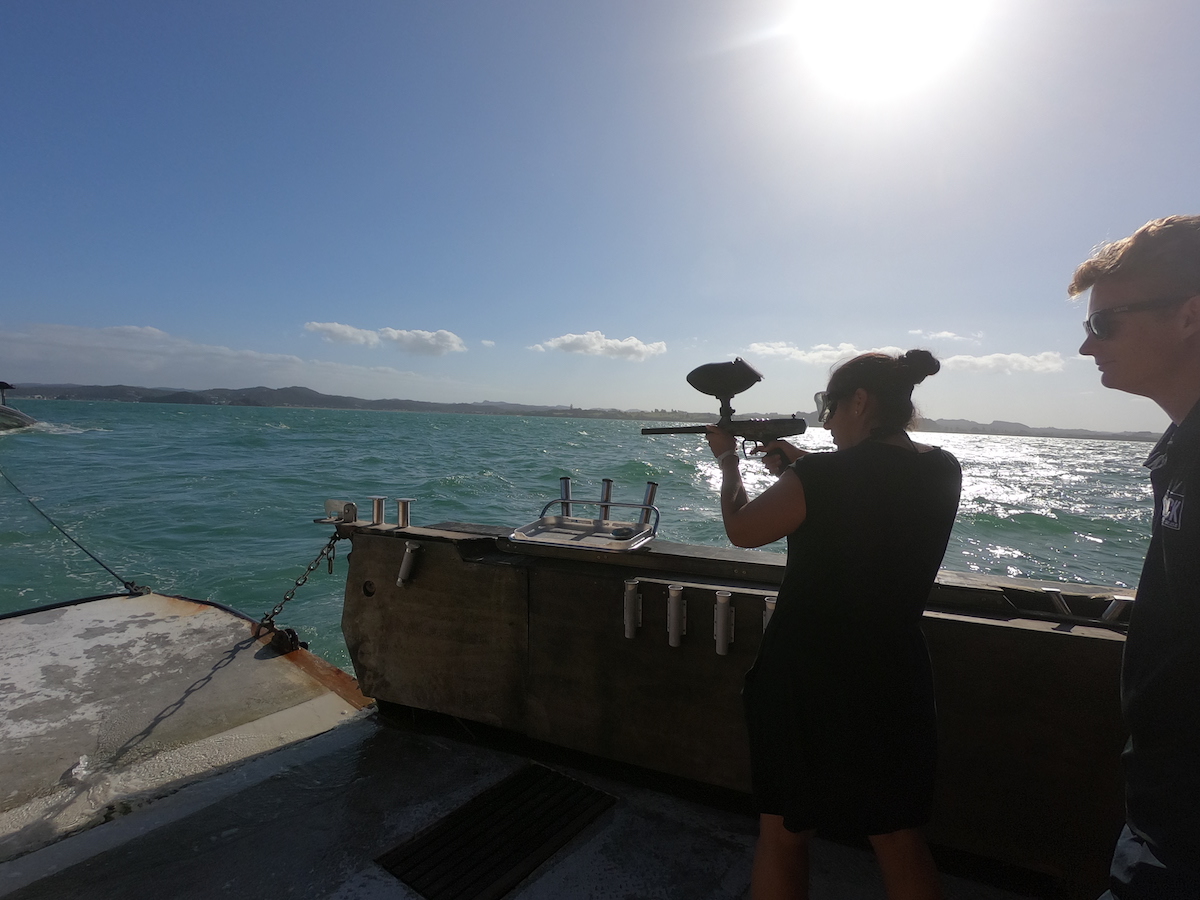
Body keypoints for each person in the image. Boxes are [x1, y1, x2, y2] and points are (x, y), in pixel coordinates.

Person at [706, 349, 961, 900]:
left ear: (860, 401)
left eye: (829, 405)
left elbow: (743, 529)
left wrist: (729, 462)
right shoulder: (942, 468)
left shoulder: (821, 476)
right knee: (898, 836)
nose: (826, 418)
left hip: (806, 676)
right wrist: (801, 468)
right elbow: (868, 502)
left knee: (784, 830)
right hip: (893, 671)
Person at [1071, 215, 1200, 898]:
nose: (1086, 346)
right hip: (1163, 812)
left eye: (1107, 324)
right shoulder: (1181, 450)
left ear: (1190, 316)